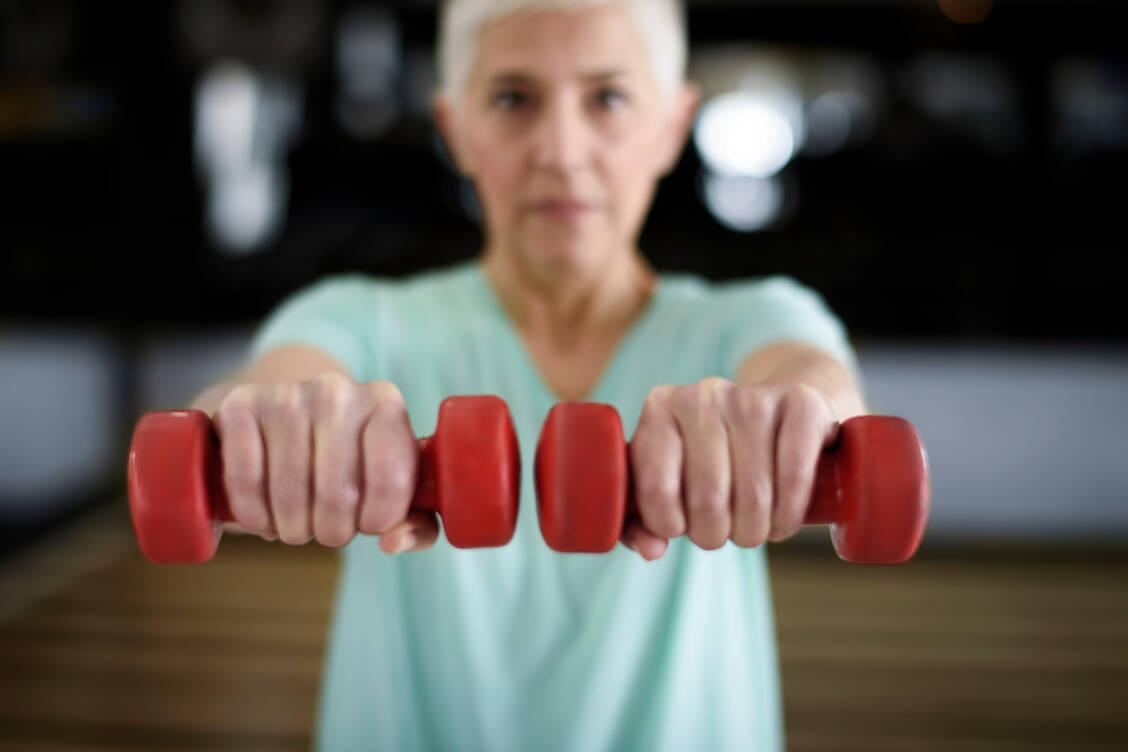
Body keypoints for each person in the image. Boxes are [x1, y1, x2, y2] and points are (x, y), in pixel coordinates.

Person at [190, 0, 867, 749]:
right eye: (513, 99)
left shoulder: (750, 320)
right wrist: (259, 419)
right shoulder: (357, 319)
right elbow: (266, 386)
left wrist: (794, 414)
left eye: (607, 98)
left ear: (671, 128)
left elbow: (817, 385)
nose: (561, 149)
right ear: (456, 131)